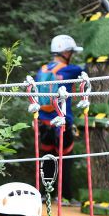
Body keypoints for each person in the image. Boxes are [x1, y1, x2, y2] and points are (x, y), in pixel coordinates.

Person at [36, 34, 85, 202]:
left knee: (48, 160)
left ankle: (45, 195)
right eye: (71, 52)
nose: (72, 55)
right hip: (62, 124)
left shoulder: (42, 70)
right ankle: (65, 197)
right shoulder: (70, 70)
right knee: (65, 161)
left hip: (44, 125)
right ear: (65, 52)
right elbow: (88, 71)